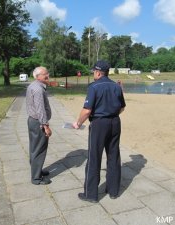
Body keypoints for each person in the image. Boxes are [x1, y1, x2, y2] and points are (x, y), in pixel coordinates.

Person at [73, 60, 126, 202]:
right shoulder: (116, 86)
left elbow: (87, 110)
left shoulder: (94, 87)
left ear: (97, 72)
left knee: (94, 157)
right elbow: (122, 108)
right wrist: (110, 115)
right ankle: (113, 191)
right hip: (115, 122)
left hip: (99, 124)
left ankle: (90, 194)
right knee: (113, 156)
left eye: (94, 72)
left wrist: (78, 123)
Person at [26, 66, 52, 185]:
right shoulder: (38, 89)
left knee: (34, 147)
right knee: (39, 149)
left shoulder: (34, 85)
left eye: (47, 73)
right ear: (37, 77)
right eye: (45, 74)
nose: (47, 75)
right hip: (38, 123)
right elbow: (40, 109)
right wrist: (45, 126)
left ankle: (36, 169)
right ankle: (36, 178)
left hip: (33, 121)